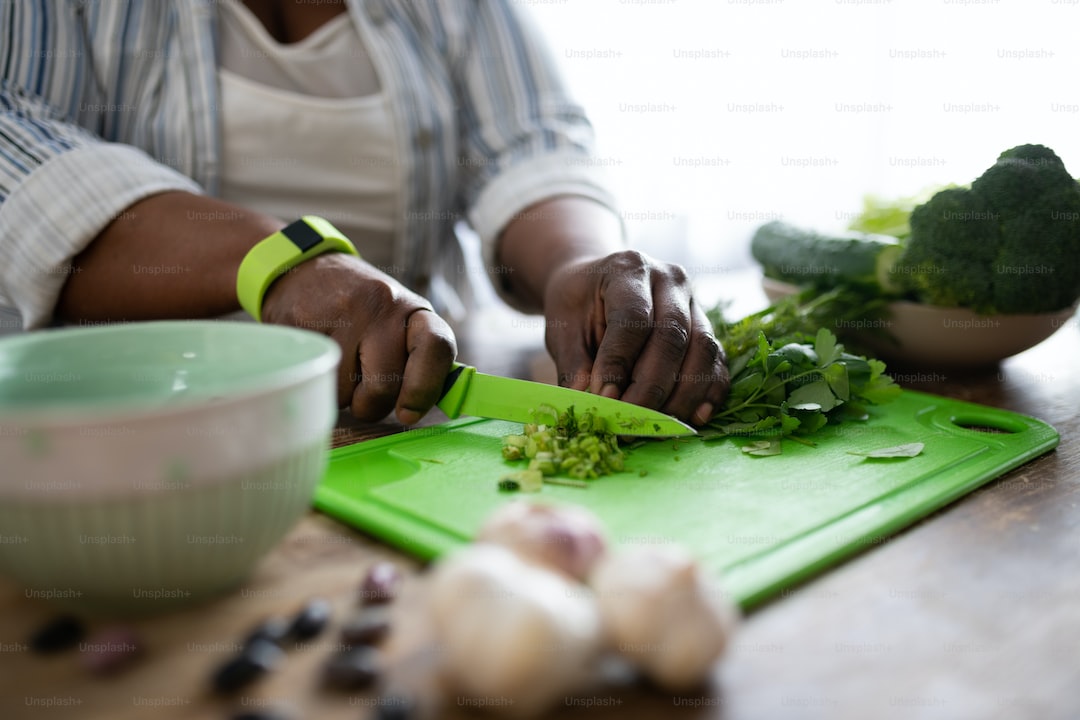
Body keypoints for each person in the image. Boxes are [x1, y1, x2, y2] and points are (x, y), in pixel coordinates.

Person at [0, 0, 728, 427]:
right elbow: (14, 141)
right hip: (128, 438)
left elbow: (529, 144)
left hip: (400, 431)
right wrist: (283, 264)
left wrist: (581, 263)